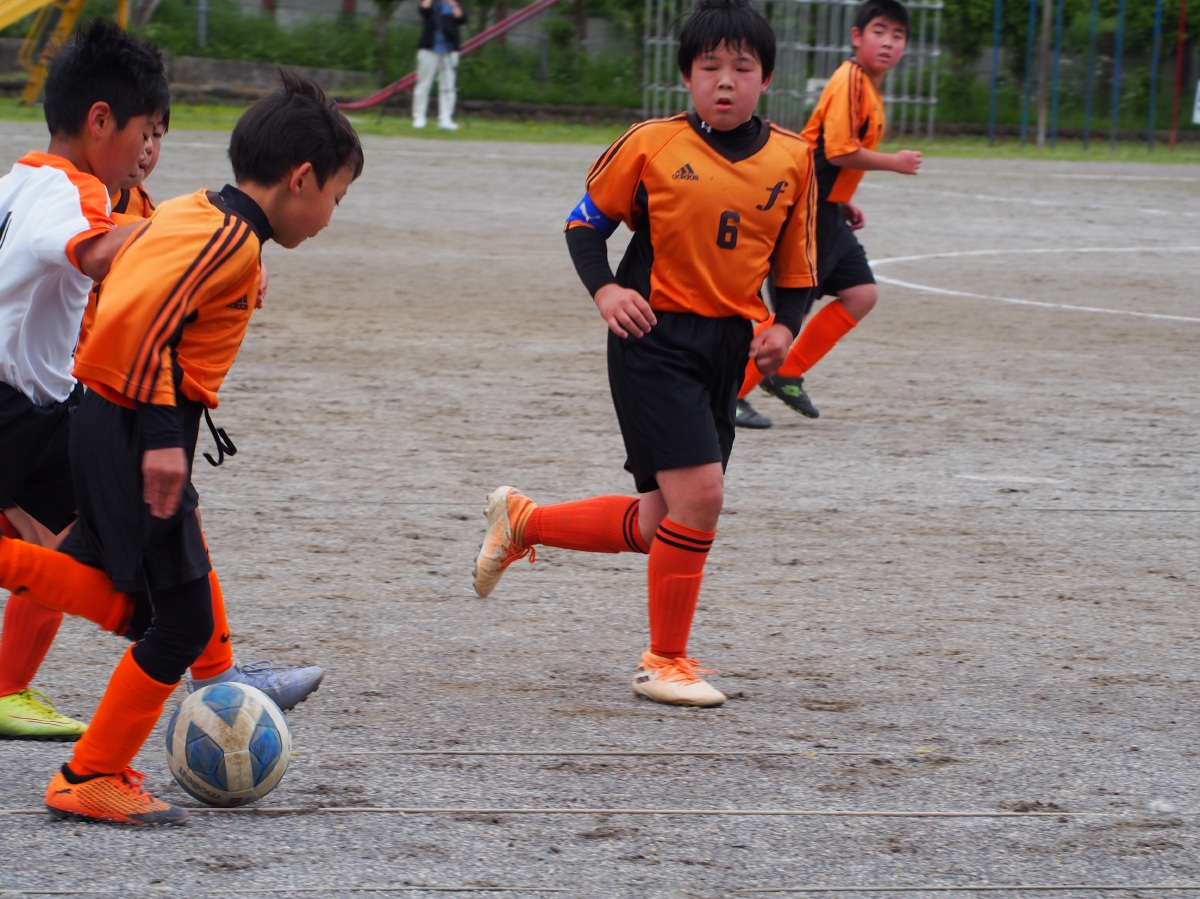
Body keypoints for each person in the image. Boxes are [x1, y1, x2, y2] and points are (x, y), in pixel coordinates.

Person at [0, 69, 364, 826]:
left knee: (124, 598)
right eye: (337, 195)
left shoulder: (200, 210)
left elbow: (139, 286)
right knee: (181, 622)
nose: (332, 215)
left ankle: (95, 764)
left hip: (109, 420)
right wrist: (164, 443)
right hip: (135, 429)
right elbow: (145, 320)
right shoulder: (228, 239)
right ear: (301, 179)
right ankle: (90, 774)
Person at [473, 0, 817, 708]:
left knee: (665, 519)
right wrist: (605, 290)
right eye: (710, 67)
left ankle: (523, 522)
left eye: (742, 67)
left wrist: (785, 325)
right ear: (687, 77)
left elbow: (797, 268)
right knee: (702, 497)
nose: (726, 80)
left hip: (726, 348)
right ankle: (664, 660)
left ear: (766, 79)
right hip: (652, 338)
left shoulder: (793, 158)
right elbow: (583, 226)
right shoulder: (650, 144)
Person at [0, 19, 171, 743]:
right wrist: (212, 236)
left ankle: (8, 687)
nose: (149, 149)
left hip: (39, 410)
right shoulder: (75, 192)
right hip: (16, 409)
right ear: (100, 121)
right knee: (123, 530)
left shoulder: (19, 180)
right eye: (144, 131)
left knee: (87, 537)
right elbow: (100, 254)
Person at [735, 0, 921, 428]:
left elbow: (829, 155)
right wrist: (894, 162)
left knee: (861, 293)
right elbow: (838, 150)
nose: (888, 42)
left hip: (826, 207)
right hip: (808, 210)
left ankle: (787, 371)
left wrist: (842, 197)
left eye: (897, 36)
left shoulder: (867, 85)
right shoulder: (850, 79)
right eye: (879, 31)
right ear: (857, 36)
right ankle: (730, 393)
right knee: (791, 311)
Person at [412, 0, 467, 130]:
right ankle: (419, 117)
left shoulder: (456, 3)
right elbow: (424, 10)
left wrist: (452, 3)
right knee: (424, 84)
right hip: (429, 48)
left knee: (448, 86)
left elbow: (461, 19)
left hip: (449, 49)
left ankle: (446, 119)